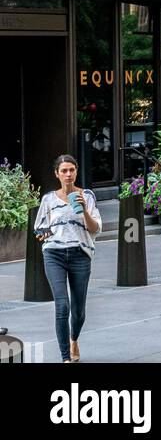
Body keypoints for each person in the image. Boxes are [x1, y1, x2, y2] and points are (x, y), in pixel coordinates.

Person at [33, 154, 102, 364]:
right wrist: (42, 234)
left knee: (78, 311)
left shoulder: (87, 196)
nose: (68, 174)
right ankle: (65, 357)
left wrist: (83, 212)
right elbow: (39, 228)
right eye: (64, 171)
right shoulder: (48, 199)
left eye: (71, 170)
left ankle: (74, 339)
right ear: (57, 174)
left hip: (80, 255)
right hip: (54, 254)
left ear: (76, 172)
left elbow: (95, 229)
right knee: (62, 306)